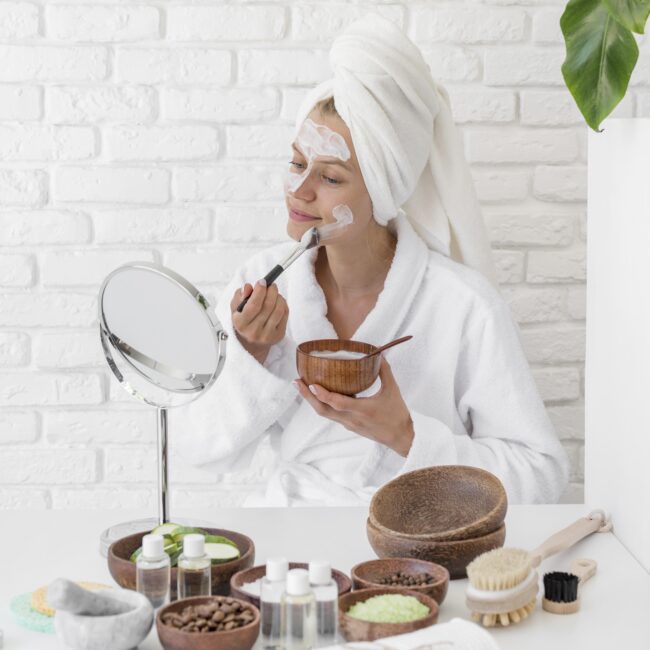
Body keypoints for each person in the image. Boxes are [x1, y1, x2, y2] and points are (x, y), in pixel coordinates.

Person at [170, 15, 569, 507]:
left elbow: (543, 476)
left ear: (382, 191)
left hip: (412, 538)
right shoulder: (260, 288)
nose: (300, 190)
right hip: (292, 537)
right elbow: (198, 448)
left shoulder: (463, 305)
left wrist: (406, 434)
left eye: (331, 177)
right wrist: (250, 354)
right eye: (297, 164)